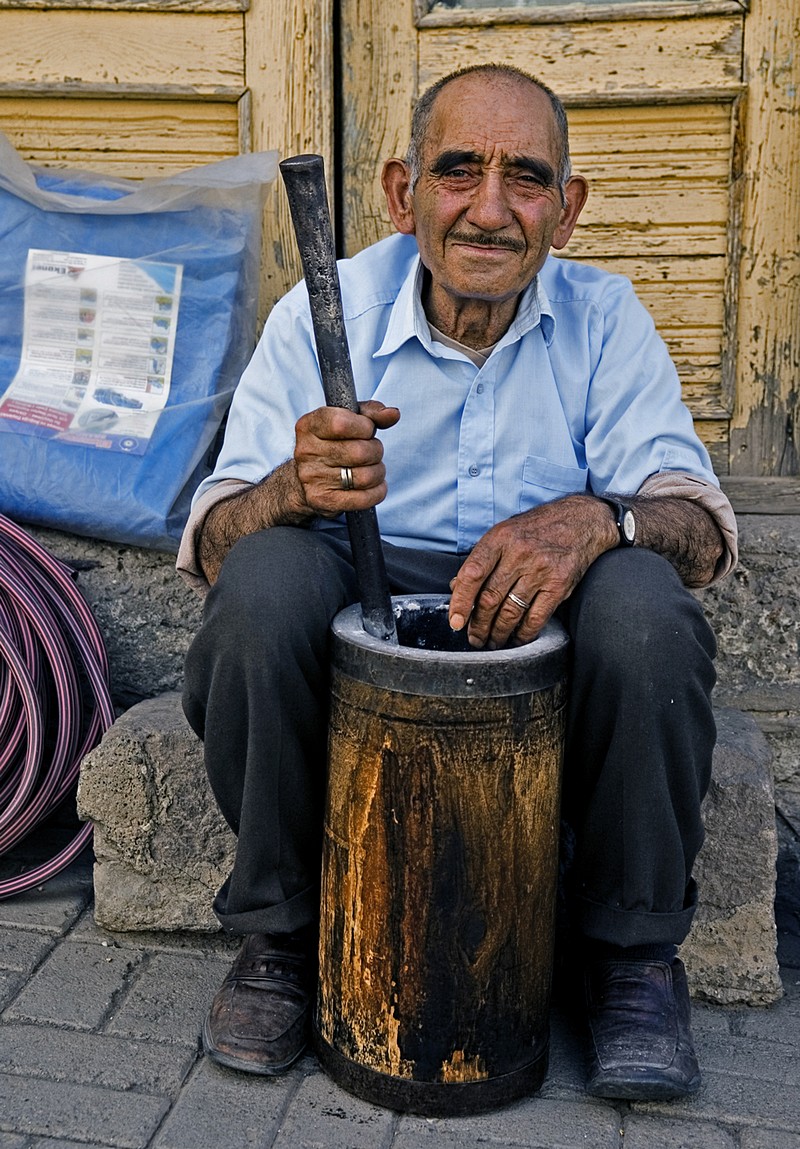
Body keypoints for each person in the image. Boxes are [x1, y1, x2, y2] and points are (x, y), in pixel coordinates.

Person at [178, 63, 737, 1101]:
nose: (488, 211)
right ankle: (284, 937)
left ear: (565, 212)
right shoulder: (323, 310)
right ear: (401, 194)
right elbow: (212, 544)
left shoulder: (605, 320)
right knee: (259, 591)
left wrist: (598, 520)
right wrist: (286, 493)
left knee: (649, 613)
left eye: (525, 179)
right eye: (456, 172)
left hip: (538, 635)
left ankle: (629, 957)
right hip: (360, 591)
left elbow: (698, 535)